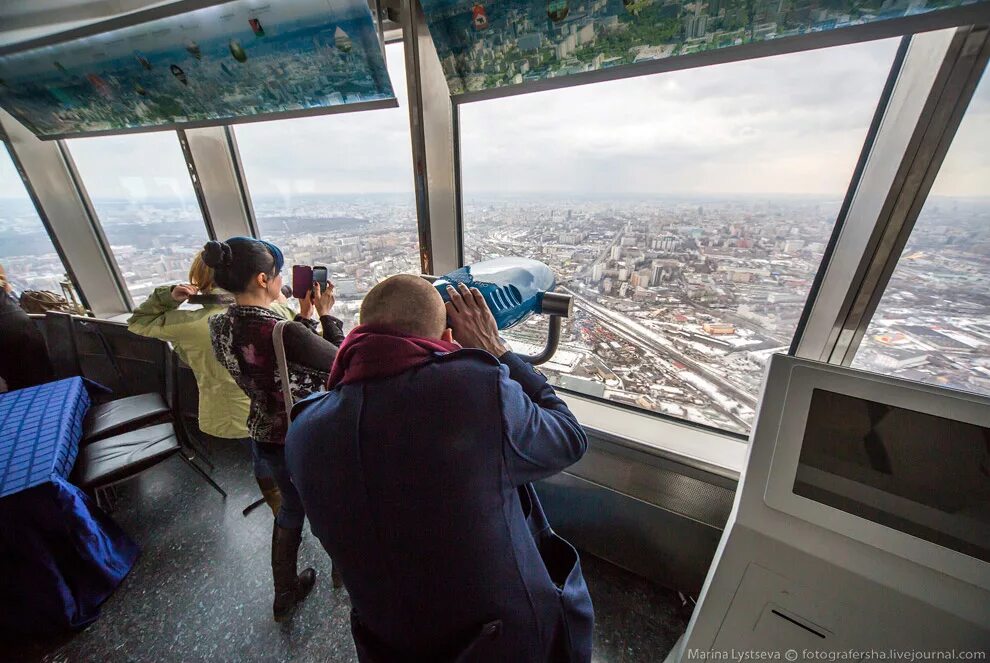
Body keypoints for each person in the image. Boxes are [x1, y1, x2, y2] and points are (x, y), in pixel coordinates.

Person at [285, 275, 594, 661]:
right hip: (503, 641)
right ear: (447, 339)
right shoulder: (472, 390)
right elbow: (569, 437)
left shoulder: (304, 428)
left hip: (387, 641)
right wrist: (497, 351)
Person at [203, 236, 345, 622]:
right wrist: (326, 316)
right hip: (306, 434)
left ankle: (284, 591)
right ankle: (345, 570)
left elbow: (267, 364)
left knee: (291, 507)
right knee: (332, 504)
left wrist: (302, 318)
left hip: (264, 432)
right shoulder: (285, 332)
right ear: (264, 279)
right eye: (278, 274)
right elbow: (342, 364)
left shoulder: (218, 326)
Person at [127, 251, 295, 515]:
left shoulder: (188, 324)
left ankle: (278, 502)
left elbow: (138, 322)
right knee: (278, 457)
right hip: (277, 411)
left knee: (260, 457)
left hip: (232, 416)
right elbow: (299, 327)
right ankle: (290, 498)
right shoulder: (271, 313)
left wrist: (169, 296)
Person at [0, 263, 55, 391]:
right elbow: (6, 287)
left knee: (21, 388)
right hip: (19, 323)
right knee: (41, 382)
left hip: (7, 334)